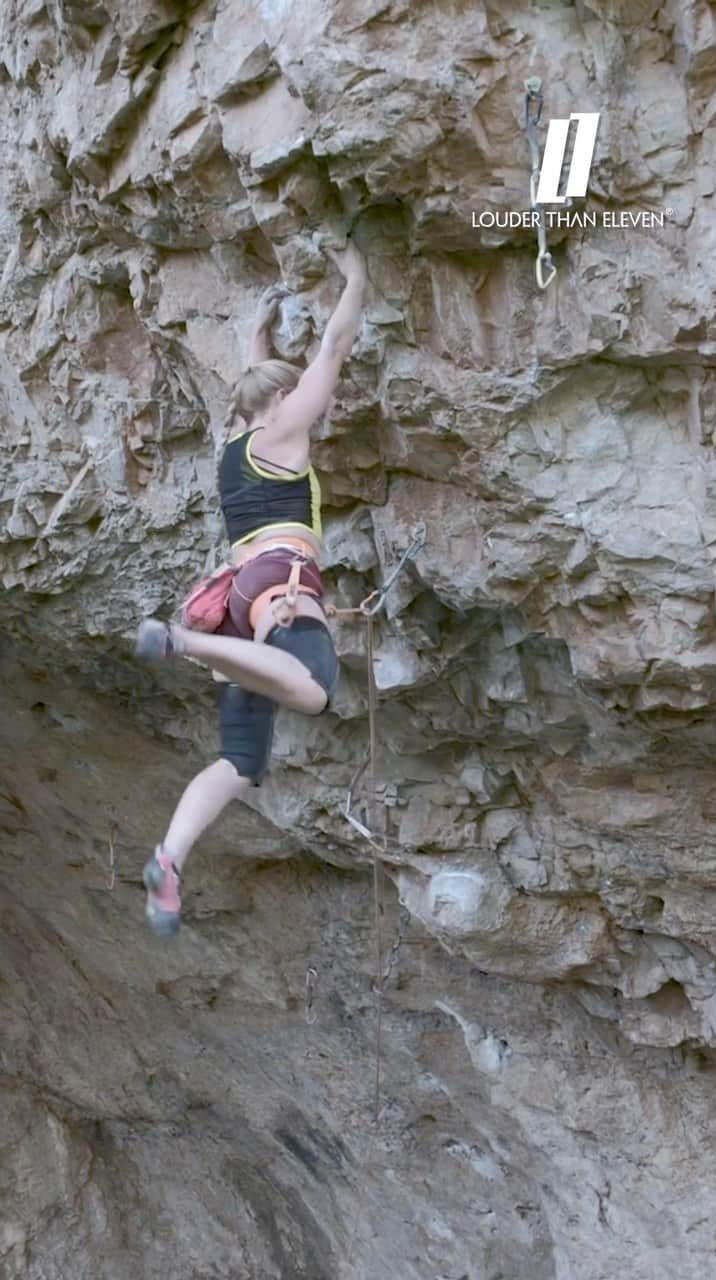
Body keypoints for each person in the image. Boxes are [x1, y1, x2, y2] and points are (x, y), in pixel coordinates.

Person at [134, 240, 367, 936]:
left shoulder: (235, 446)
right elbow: (335, 347)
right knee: (313, 686)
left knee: (240, 761)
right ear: (280, 399)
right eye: (289, 389)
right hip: (279, 586)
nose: (302, 397)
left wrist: (257, 334)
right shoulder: (284, 431)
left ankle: (169, 861)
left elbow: (248, 384)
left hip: (242, 596)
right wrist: (355, 275)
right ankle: (183, 641)